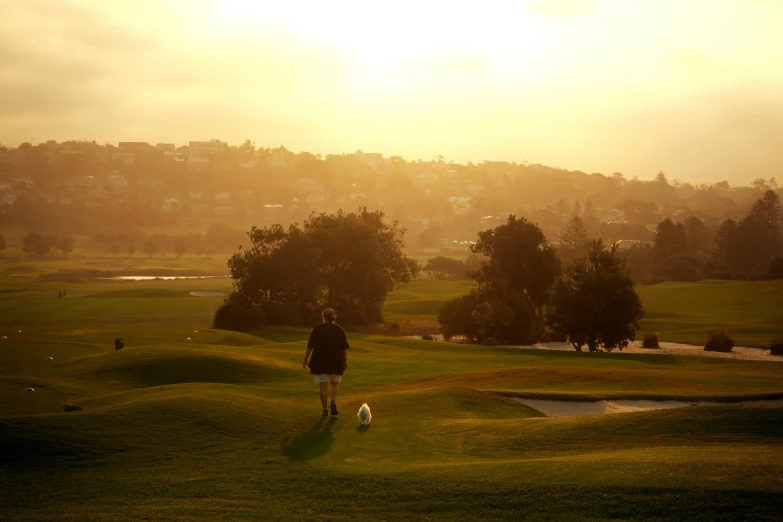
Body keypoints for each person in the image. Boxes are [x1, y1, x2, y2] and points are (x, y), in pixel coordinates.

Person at [303, 308, 349, 417]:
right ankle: (333, 401)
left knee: (323, 385)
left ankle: (325, 410)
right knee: (334, 382)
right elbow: (345, 348)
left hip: (320, 361)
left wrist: (305, 358)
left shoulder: (317, 329)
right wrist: (345, 361)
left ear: (323, 316)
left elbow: (310, 346)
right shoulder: (338, 329)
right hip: (336, 360)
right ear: (334, 317)